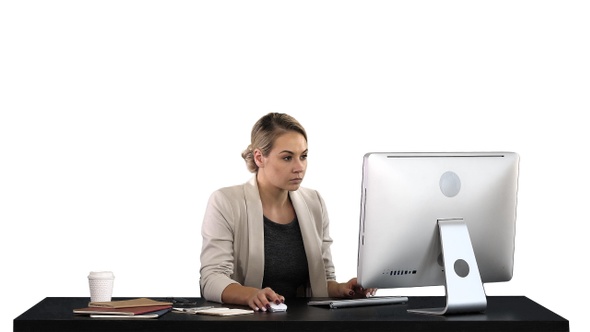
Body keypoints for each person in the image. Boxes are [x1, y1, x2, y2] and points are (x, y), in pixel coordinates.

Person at [199, 112, 375, 312]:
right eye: (287, 157)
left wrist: (343, 288)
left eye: (303, 156)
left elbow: (321, 279)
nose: (299, 167)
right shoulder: (226, 202)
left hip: (300, 323)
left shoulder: (314, 202)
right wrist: (251, 294)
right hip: (246, 322)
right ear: (259, 157)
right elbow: (211, 278)